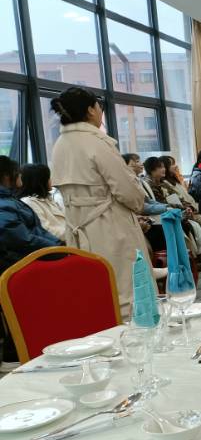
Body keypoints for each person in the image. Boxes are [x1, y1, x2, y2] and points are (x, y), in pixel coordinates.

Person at [49, 87, 151, 314]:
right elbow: (128, 192)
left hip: (77, 229)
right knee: (127, 295)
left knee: (95, 295)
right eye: (99, 107)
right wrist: (138, 202)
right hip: (110, 226)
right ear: (90, 110)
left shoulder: (59, 145)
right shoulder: (97, 142)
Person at [0, 156, 62, 370]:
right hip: (16, 264)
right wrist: (56, 249)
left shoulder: (11, 201)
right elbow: (20, 239)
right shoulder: (5, 205)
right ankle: (16, 353)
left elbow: (37, 232)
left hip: (27, 258)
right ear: (7, 176)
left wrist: (57, 246)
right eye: (16, 171)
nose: (20, 175)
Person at [19, 163, 67, 242]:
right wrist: (72, 235)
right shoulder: (28, 203)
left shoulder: (47, 198)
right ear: (40, 181)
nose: (51, 180)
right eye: (48, 177)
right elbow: (45, 230)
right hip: (58, 244)